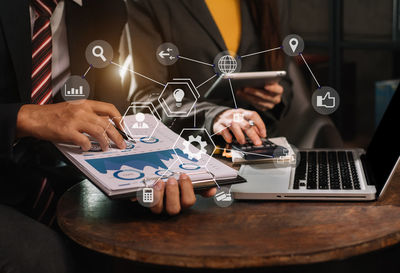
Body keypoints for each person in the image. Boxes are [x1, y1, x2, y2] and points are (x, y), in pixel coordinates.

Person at [0, 1, 214, 272]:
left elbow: (107, 123)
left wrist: (140, 179)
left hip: (58, 181)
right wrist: (25, 118)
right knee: (45, 258)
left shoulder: (105, 8)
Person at [127, 0, 292, 146]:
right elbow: (146, 96)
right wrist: (213, 116)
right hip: (193, 150)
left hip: (260, 143)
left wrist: (274, 96)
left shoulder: (276, 4)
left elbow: (285, 81)